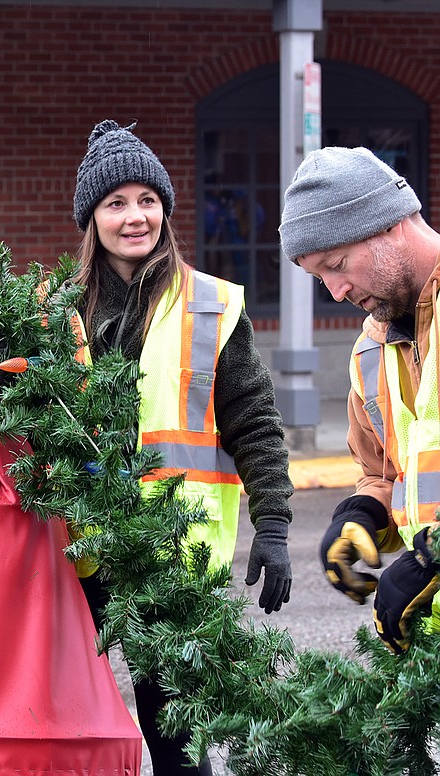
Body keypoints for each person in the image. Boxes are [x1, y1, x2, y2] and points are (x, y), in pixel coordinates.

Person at [69, 120, 294, 774]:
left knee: (175, 738)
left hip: (171, 555)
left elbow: (252, 417)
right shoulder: (55, 310)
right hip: (72, 551)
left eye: (147, 200)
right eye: (116, 203)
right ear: (92, 218)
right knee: (57, 724)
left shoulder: (209, 305)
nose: (134, 217)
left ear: (165, 210)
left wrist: (273, 523)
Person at [279, 146, 440, 655]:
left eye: (338, 264)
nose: (335, 291)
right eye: (318, 276)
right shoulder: (371, 351)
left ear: (389, 224)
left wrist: (432, 557)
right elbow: (389, 474)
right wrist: (363, 514)